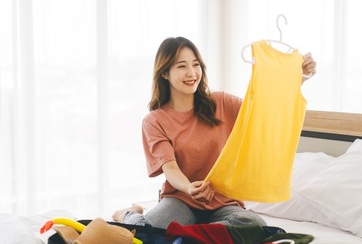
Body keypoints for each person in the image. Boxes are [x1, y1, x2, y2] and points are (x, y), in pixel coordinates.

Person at [112, 36, 317, 229]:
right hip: (181, 199)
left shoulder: (222, 103)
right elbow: (171, 169)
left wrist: (297, 79)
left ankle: (194, 232)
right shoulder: (154, 121)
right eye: (182, 66)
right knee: (147, 231)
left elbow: (264, 114)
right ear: (165, 73)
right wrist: (189, 188)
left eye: (196, 64)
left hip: (223, 202)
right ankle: (129, 213)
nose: (192, 73)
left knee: (255, 225)